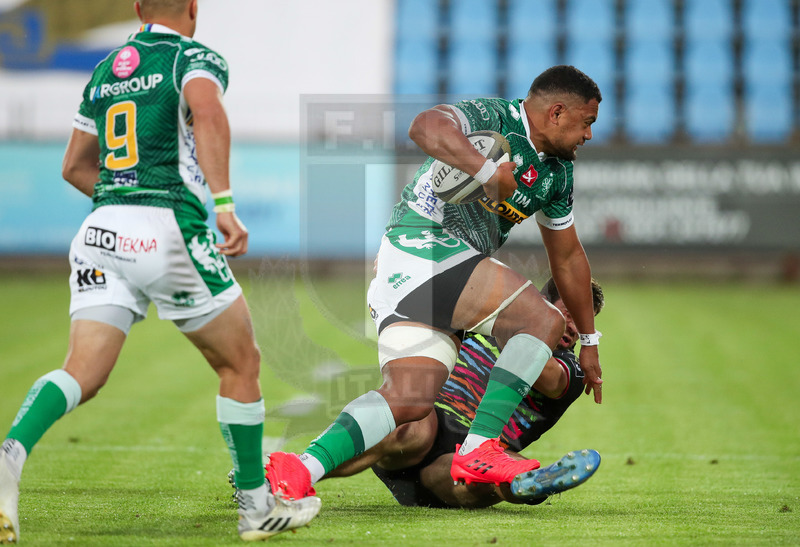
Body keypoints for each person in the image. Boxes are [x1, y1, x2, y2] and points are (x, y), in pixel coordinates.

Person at [0, 1, 319, 543]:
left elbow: (74, 165)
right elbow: (208, 112)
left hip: (100, 232)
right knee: (241, 362)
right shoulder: (191, 57)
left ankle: (10, 454)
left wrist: (122, 206)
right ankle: (256, 507)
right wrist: (223, 204)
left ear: (136, 8)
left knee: (81, 372)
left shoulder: (106, 69)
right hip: (167, 230)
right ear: (193, 7)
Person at [262, 65, 604, 512]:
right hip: (424, 243)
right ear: (557, 112)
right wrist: (487, 171)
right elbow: (424, 126)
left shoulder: (557, 175)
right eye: (586, 122)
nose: (589, 135)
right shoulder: (495, 116)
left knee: (408, 401)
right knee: (541, 318)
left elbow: (568, 258)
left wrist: (590, 340)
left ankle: (297, 469)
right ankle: (480, 450)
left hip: (414, 273)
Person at [234, 278, 604, 509]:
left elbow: (545, 375)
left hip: (474, 456)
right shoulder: (487, 324)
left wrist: (529, 325)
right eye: (568, 313)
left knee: (473, 481)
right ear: (546, 303)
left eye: (584, 319)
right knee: (407, 426)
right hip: (429, 425)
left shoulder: (573, 370)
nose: (574, 326)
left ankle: (521, 485)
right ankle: (292, 476)